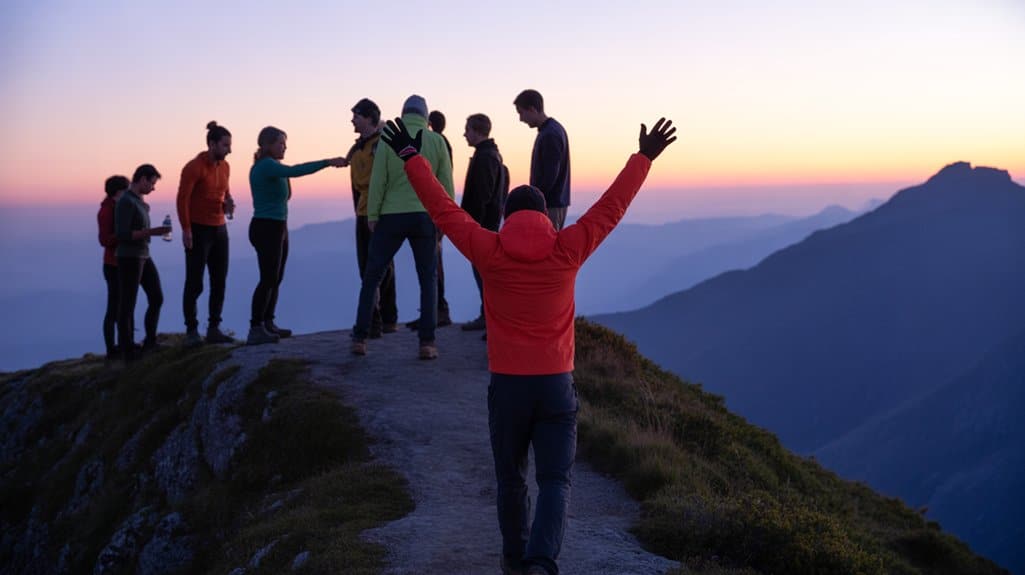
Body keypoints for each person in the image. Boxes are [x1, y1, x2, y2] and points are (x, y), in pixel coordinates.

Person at [378, 116, 676, 575]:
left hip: (508, 388)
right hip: (556, 386)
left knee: (511, 481)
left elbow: (442, 210)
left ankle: (514, 562)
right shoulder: (568, 248)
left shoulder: (488, 249)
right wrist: (644, 158)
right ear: (543, 216)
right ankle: (541, 563)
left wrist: (411, 157)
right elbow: (610, 208)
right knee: (556, 480)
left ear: (506, 217)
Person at [350, 95, 454, 359]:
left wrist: (373, 215)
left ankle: (360, 339)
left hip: (391, 216)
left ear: (404, 113)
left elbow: (378, 180)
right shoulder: (436, 141)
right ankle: (427, 343)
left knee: (372, 276)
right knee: (428, 279)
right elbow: (445, 184)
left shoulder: (388, 138)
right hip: (425, 216)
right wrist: (447, 220)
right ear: (426, 116)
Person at [247, 126, 346, 345]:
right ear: (267, 145)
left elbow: (286, 192)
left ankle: (268, 322)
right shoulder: (266, 167)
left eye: (285, 142)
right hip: (266, 228)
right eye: (281, 143)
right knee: (268, 278)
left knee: (276, 277)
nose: (285, 147)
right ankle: (256, 327)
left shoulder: (274, 167)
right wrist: (327, 162)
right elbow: (296, 171)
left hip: (278, 227)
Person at [177, 121, 235, 347]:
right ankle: (192, 330)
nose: (229, 150)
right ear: (212, 144)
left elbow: (225, 191)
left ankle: (214, 328)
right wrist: (186, 229)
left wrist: (228, 202)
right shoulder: (193, 167)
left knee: (219, 280)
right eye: (226, 145)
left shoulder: (225, 166)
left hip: (220, 228)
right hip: (199, 230)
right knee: (195, 282)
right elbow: (182, 199)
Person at [346, 98, 398, 337]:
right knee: (380, 266)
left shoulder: (380, 145)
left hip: (377, 212)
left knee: (373, 268)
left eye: (356, 116)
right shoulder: (361, 146)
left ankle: (374, 322)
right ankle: (386, 318)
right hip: (365, 210)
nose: (352, 120)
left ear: (368, 118)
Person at [116, 164, 171, 361]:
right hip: (130, 257)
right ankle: (127, 349)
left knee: (156, 297)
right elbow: (122, 234)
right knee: (128, 304)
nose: (153, 188)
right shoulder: (126, 202)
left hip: (143, 255)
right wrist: (153, 232)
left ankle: (150, 341)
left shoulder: (139, 201)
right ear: (143, 179)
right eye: (152, 183)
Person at [459, 113, 507, 333]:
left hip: (482, 227)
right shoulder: (492, 155)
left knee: (484, 275)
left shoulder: (486, 157)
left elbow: (482, 195)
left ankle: (491, 320)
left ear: (477, 131)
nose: (464, 134)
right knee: (485, 274)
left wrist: (472, 225)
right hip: (489, 225)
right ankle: (488, 316)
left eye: (467, 130)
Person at [514, 89, 571, 230]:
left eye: (521, 113)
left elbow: (550, 175)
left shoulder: (550, 134)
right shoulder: (552, 130)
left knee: (547, 247)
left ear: (532, 109)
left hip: (549, 205)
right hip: (552, 203)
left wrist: (534, 200)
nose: (521, 119)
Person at [98, 174, 129, 360]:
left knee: (123, 306)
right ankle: (112, 349)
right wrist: (124, 235)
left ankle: (123, 344)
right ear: (118, 191)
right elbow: (104, 240)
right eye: (126, 189)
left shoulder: (118, 207)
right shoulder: (106, 211)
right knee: (114, 308)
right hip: (113, 265)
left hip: (122, 263)